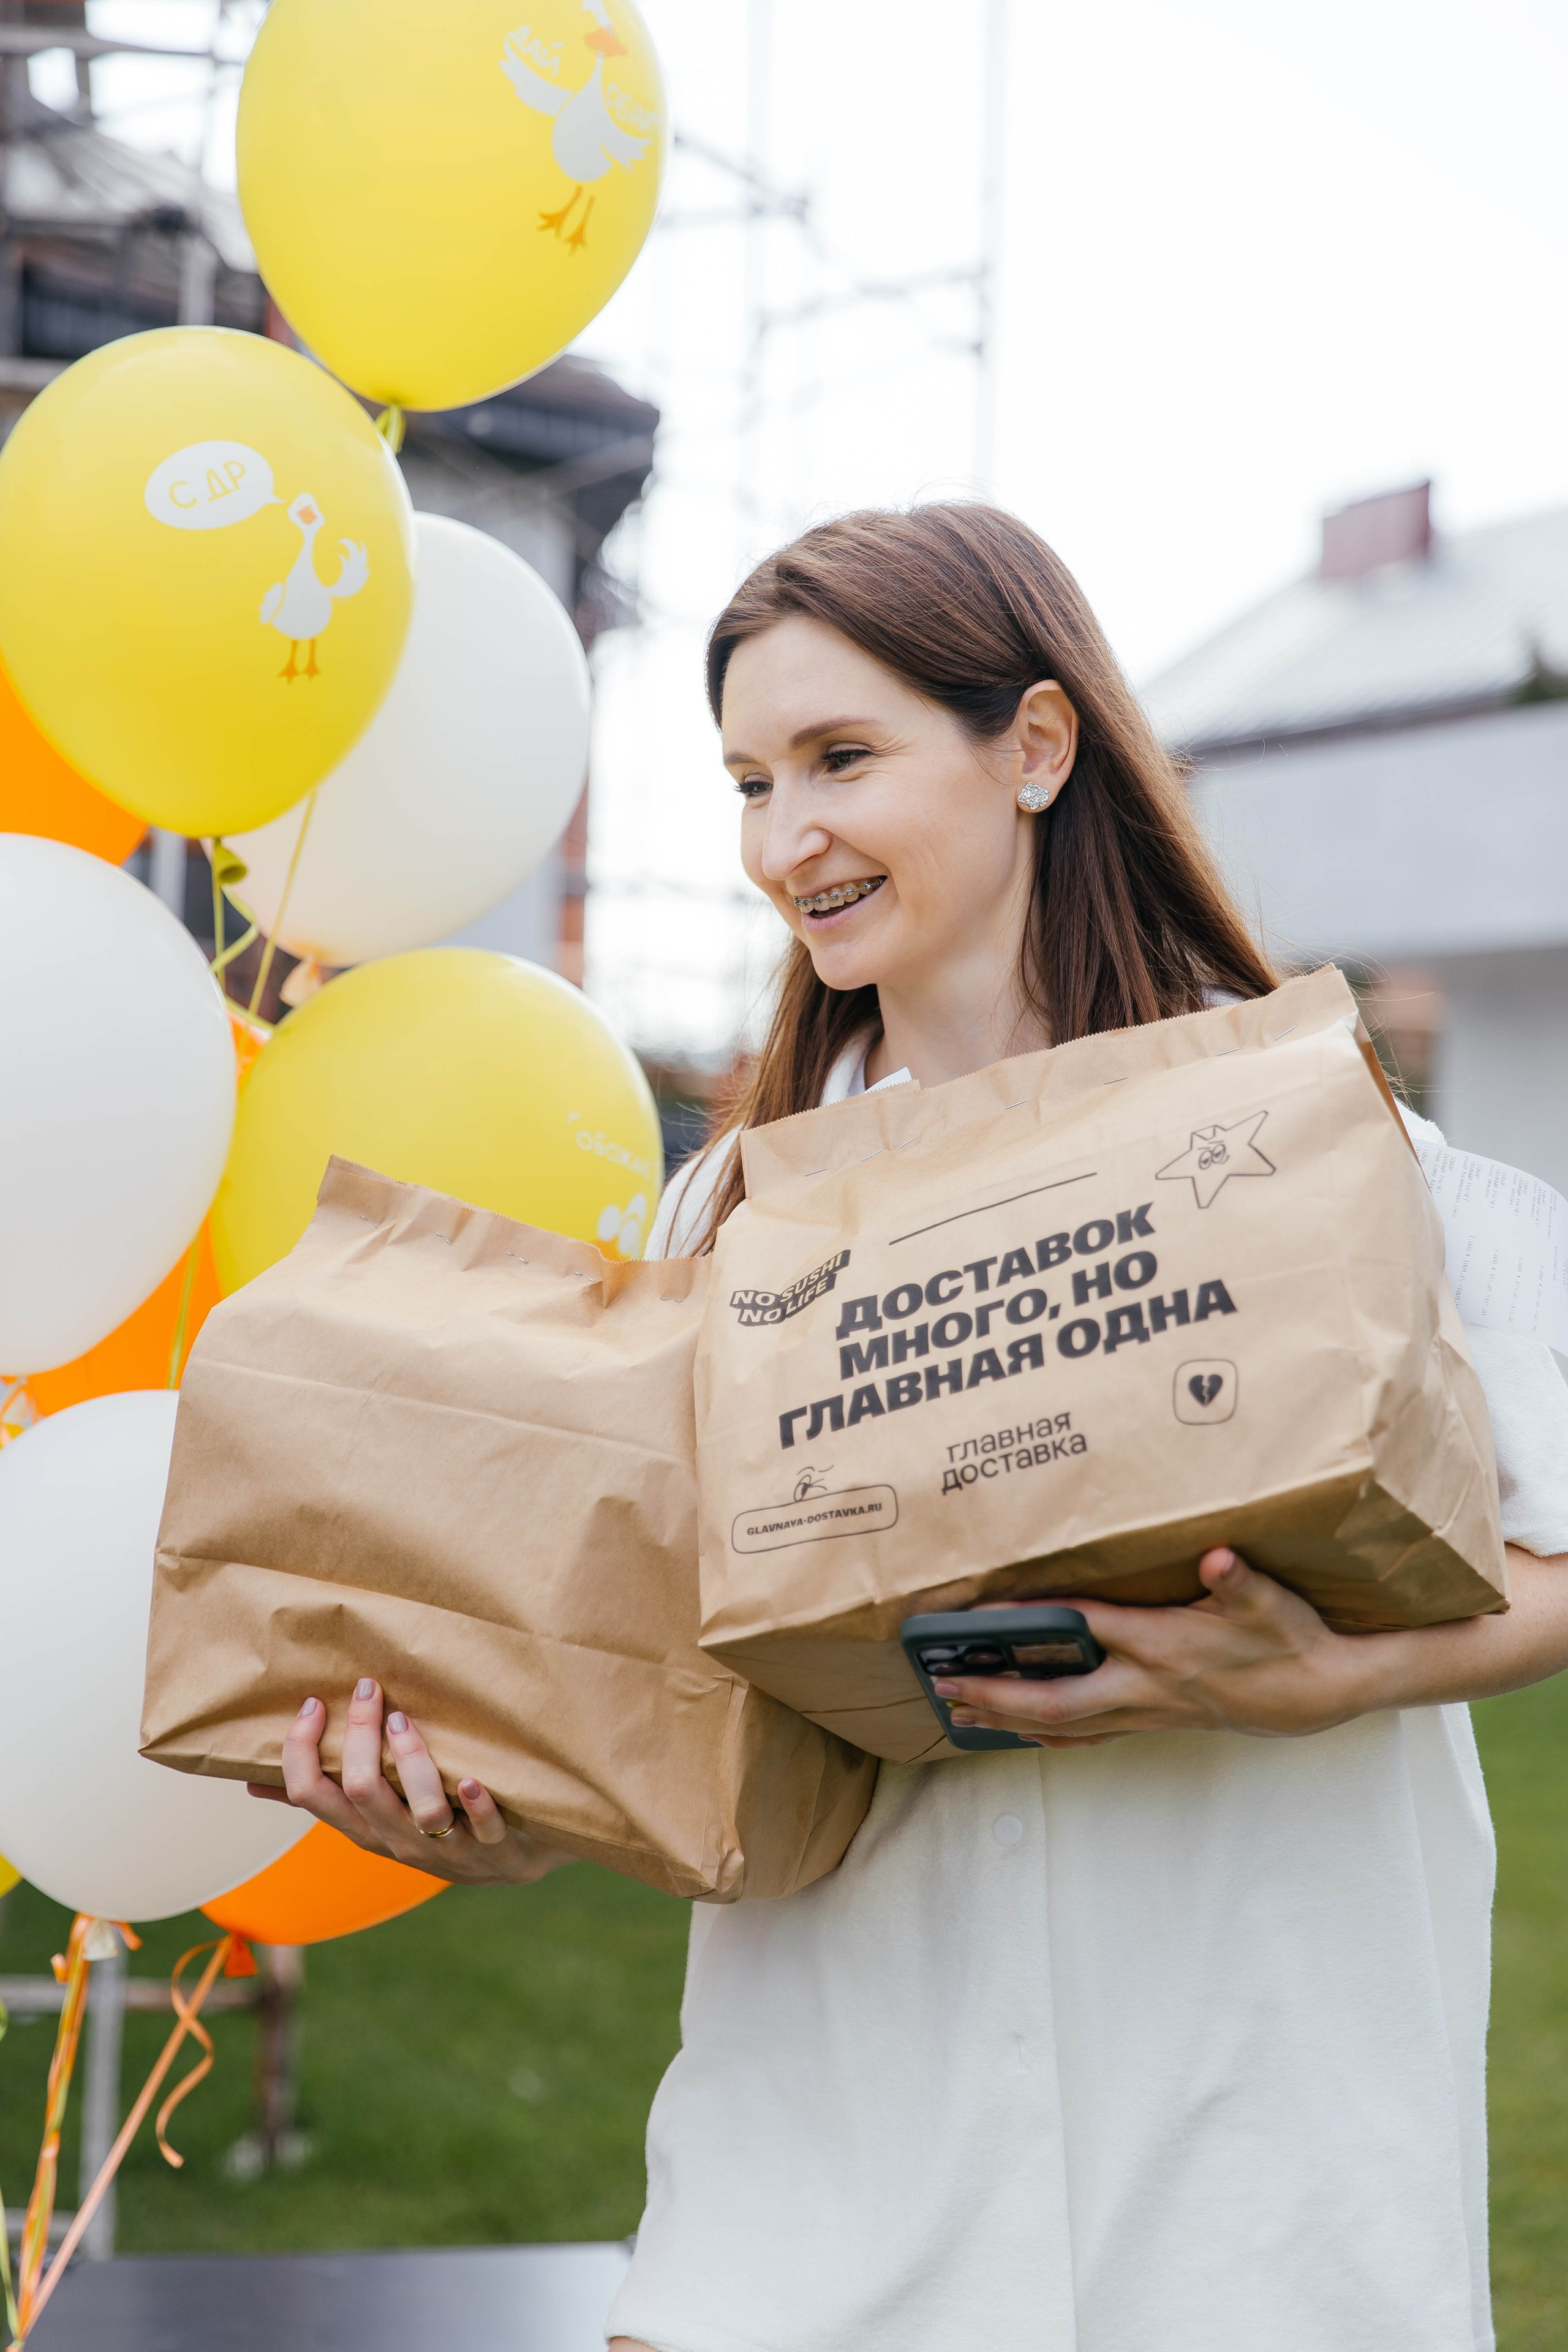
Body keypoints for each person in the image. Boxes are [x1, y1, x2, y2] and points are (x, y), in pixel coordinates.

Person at [260, 505, 1568, 2352]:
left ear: (1034, 745)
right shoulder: (722, 1228)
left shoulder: (1321, 1145)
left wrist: (1332, 1677)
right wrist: (518, 1812)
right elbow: (674, 1689)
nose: (782, 838)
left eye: (840, 758)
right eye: (750, 782)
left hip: (1248, 2204)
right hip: (819, 2218)